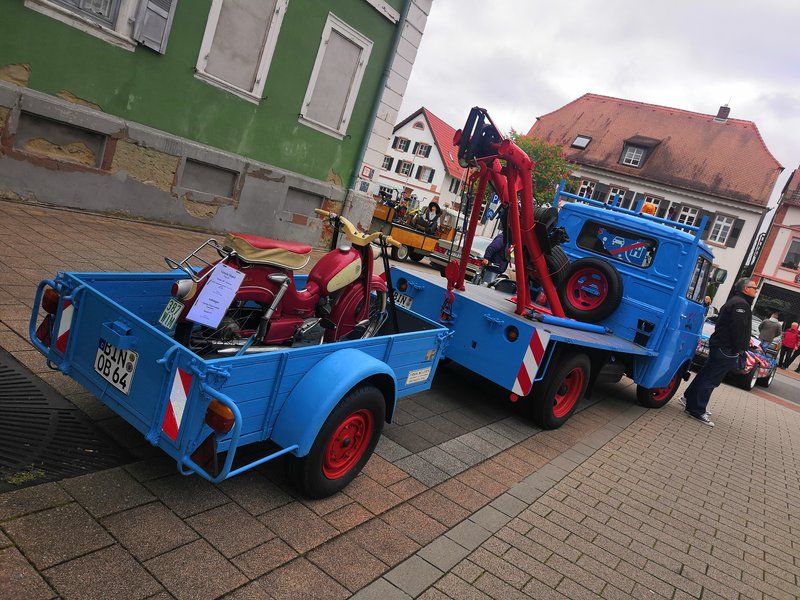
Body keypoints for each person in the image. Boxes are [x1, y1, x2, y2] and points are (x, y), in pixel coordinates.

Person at [680, 278, 757, 426]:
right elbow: (738, 329)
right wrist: (738, 349)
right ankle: (697, 409)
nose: (756, 290)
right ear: (745, 289)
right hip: (727, 348)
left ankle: (689, 398)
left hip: (721, 346)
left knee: (705, 374)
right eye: (754, 288)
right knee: (712, 379)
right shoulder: (741, 304)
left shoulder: (735, 301)